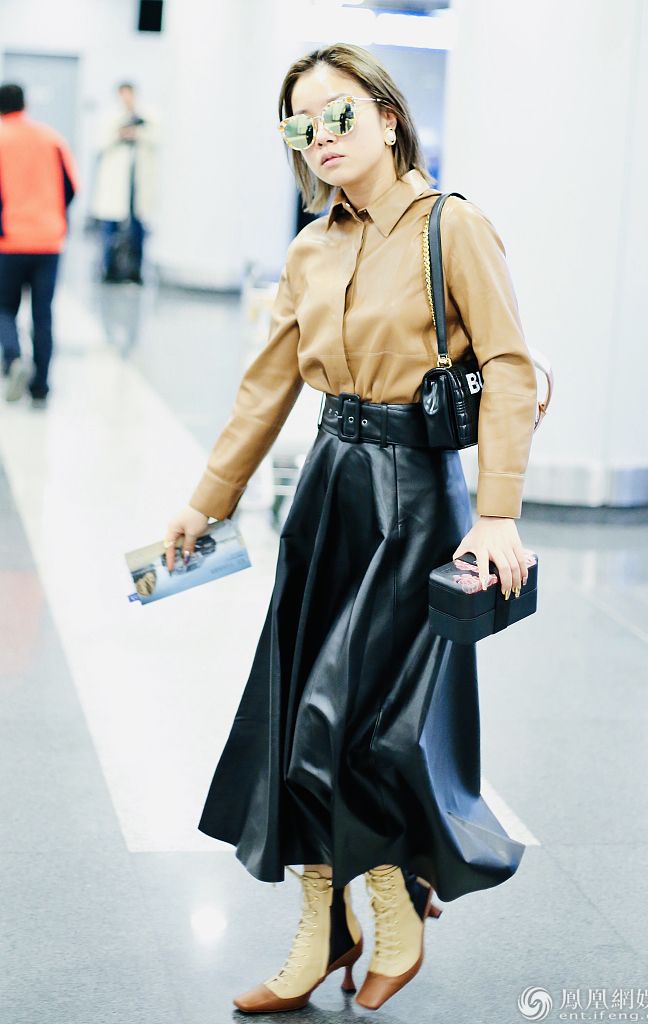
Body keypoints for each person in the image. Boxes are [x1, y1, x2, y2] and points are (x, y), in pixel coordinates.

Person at [163, 43, 538, 1013]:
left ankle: (392, 899)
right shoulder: (309, 248)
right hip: (328, 492)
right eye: (299, 124)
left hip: (414, 502)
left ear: (385, 116)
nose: (319, 137)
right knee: (295, 715)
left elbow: (506, 365)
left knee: (350, 724)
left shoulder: (452, 226)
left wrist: (496, 513)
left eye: (337, 114)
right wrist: (205, 501)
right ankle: (323, 924)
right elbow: (265, 388)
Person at [0, 82, 79, 407]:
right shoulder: (51, 138)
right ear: (25, 104)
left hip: (8, 241)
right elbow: (71, 187)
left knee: (4, 308)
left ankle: (13, 357)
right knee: (43, 314)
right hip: (48, 241)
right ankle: (40, 386)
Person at [90, 82, 157, 284]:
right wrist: (120, 134)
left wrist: (138, 133)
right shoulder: (109, 118)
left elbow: (158, 138)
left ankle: (135, 271)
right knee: (109, 229)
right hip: (114, 187)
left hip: (137, 186)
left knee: (138, 230)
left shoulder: (147, 116)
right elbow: (99, 143)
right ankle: (108, 269)